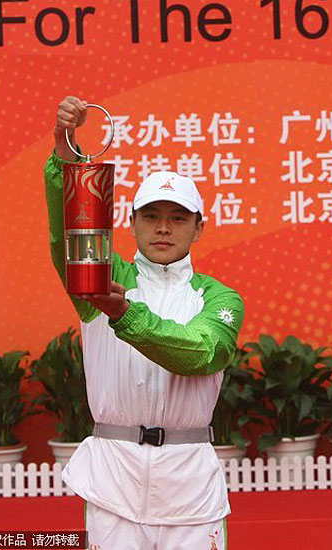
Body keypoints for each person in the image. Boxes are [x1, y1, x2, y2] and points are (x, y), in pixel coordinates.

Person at [45, 96, 244, 549]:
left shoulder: (219, 297)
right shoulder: (100, 278)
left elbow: (200, 353)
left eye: (178, 218)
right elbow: (66, 232)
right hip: (114, 478)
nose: (163, 228)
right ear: (131, 223)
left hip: (189, 484)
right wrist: (64, 152)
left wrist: (125, 314)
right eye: (151, 216)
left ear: (199, 228)